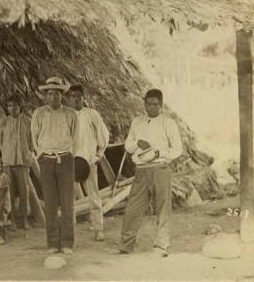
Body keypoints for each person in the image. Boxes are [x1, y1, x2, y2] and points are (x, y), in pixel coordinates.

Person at [119, 89, 182, 257]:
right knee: (133, 207)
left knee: (162, 208)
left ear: (160, 105)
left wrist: (158, 153)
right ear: (144, 104)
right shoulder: (137, 122)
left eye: (155, 104)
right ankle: (126, 245)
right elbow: (127, 146)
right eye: (148, 104)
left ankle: (162, 245)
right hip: (141, 171)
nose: (151, 107)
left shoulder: (168, 123)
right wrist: (138, 143)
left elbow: (177, 149)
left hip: (160, 168)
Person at [31, 77, 77, 255]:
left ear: (62, 95)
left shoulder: (70, 114)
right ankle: (52, 243)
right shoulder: (39, 113)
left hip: (65, 159)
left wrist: (69, 155)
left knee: (67, 203)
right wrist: (41, 154)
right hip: (46, 160)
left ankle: (67, 242)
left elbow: (76, 138)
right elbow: (34, 137)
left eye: (57, 93)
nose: (53, 97)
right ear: (45, 95)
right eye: (49, 93)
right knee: (50, 203)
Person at [68, 84, 109, 241]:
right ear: (69, 98)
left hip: (89, 161)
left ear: (83, 97)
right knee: (69, 197)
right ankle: (70, 231)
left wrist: (98, 155)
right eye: (73, 96)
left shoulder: (92, 114)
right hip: (71, 162)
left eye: (79, 95)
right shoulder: (66, 115)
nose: (76, 98)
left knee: (94, 196)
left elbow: (103, 135)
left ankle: (98, 229)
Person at [0, 94, 33, 230]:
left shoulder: (27, 121)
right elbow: (0, 142)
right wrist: (7, 153)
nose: (13, 108)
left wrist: (27, 153)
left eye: (16, 106)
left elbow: (32, 141)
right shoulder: (3, 122)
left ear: (20, 107)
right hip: (8, 161)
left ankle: (24, 220)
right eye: (10, 106)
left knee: (24, 191)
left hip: (23, 160)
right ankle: (11, 220)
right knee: (9, 191)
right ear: (7, 107)